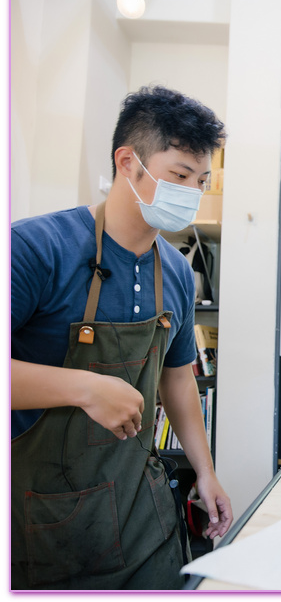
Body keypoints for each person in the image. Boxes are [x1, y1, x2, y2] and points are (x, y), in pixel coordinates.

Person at [10, 85, 233, 589]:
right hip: (40, 520)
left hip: (140, 516)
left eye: (201, 180)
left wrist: (205, 468)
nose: (191, 192)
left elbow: (177, 378)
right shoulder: (36, 248)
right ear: (128, 161)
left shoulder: (175, 271)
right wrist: (84, 388)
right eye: (178, 175)